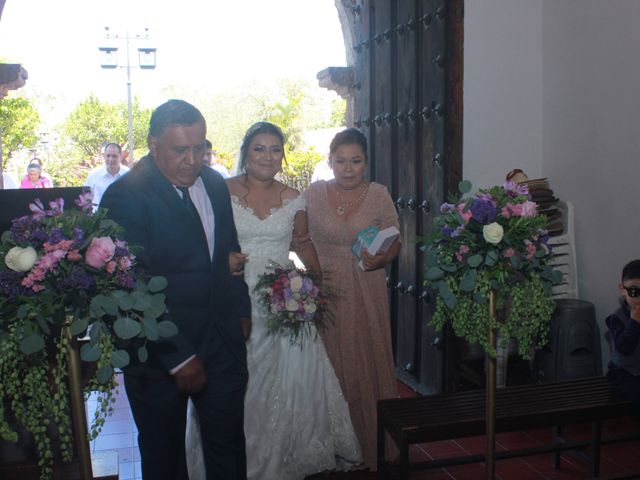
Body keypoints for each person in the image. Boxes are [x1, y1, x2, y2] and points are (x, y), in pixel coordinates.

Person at [186, 121, 361, 480]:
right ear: (245, 153)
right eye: (259, 149)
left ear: (283, 155)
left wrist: (316, 284)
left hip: (284, 296)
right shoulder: (221, 191)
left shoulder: (294, 196)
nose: (268, 156)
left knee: (292, 376)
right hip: (235, 293)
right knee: (238, 379)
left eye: (275, 149)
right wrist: (222, 261)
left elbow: (301, 242)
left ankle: (287, 453)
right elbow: (203, 238)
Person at [100, 99, 251, 480]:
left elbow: (230, 254)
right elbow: (130, 283)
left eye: (199, 147)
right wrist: (178, 356)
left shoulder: (215, 184)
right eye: (180, 150)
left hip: (221, 344)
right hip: (158, 355)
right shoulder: (125, 196)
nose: (192, 159)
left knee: (228, 448)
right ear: (153, 145)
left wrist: (242, 311)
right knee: (165, 458)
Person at [304, 128, 401, 470]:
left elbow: (395, 239)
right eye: (340, 161)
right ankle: (327, 444)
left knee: (364, 356)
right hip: (323, 285)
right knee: (327, 359)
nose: (348, 168)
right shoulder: (313, 193)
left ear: (366, 163)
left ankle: (368, 440)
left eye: (355, 161)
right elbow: (296, 238)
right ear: (329, 162)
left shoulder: (378, 194)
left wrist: (383, 258)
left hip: (366, 282)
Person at [606, 259, 640, 415]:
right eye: (634, 292)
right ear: (622, 289)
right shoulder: (617, 318)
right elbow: (624, 347)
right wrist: (634, 322)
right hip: (623, 373)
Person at [84, 142, 130, 208]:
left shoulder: (128, 174)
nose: (110, 159)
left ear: (121, 157)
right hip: (99, 216)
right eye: (108, 156)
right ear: (104, 156)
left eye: (114, 156)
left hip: (122, 215)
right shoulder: (94, 174)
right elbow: (85, 198)